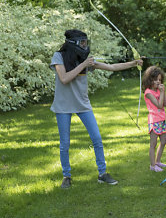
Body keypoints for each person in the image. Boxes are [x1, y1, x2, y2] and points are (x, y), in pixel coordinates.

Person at [51, 29, 143, 188]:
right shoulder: (58, 57)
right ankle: (67, 176)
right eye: (82, 43)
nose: (85, 46)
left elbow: (112, 67)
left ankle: (102, 173)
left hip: (83, 105)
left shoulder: (84, 60)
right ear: (73, 44)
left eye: (86, 42)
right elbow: (64, 78)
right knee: (64, 143)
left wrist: (134, 63)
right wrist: (84, 65)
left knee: (97, 139)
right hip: (63, 106)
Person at [143, 66, 166, 172]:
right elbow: (159, 105)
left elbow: (165, 104)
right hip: (154, 120)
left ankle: (158, 162)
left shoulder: (159, 90)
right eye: (156, 80)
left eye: (160, 80)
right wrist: (161, 93)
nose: (158, 82)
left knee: (163, 141)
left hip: (162, 119)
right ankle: (152, 165)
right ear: (150, 80)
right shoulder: (148, 92)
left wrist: (163, 92)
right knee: (153, 144)